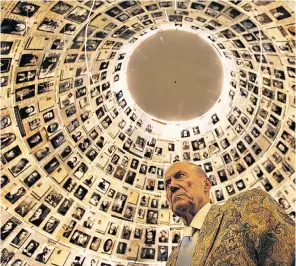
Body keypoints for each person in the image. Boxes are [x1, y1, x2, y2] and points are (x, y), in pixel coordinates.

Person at [165, 161, 295, 266]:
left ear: (206, 184)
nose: (172, 186)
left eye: (180, 176)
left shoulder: (247, 205)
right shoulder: (172, 260)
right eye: (167, 184)